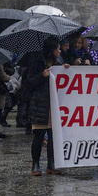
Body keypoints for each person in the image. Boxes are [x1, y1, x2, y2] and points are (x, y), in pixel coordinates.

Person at [25, 37, 68, 175]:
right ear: (52, 49)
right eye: (58, 48)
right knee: (39, 135)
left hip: (54, 104)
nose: (60, 50)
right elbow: (29, 82)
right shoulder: (37, 62)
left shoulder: (58, 63)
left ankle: (51, 163)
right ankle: (35, 164)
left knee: (52, 136)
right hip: (40, 104)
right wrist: (42, 75)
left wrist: (66, 69)